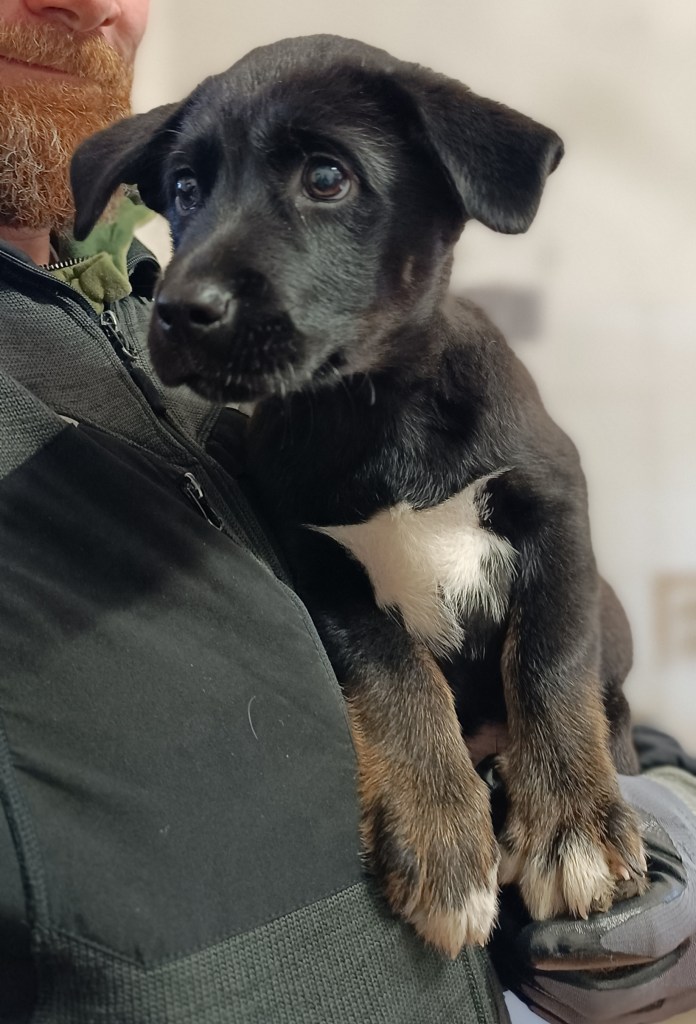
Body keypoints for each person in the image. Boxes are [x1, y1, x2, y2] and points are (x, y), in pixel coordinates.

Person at [0, 2, 694, 1021]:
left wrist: (661, 803)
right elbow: (331, 590)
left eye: (325, 179)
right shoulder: (248, 416)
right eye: (189, 190)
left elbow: (563, 567)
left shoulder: (164, 328)